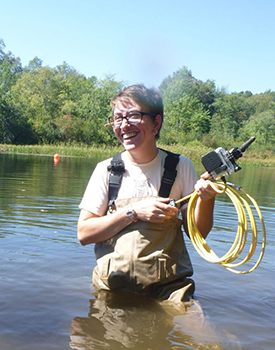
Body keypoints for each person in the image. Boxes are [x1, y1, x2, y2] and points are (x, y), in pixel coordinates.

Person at [77, 84, 217, 303]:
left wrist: (207, 200)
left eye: (133, 115)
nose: (123, 125)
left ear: (156, 123)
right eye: (117, 118)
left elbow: (198, 234)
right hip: (111, 289)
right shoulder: (105, 170)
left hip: (170, 291)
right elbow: (84, 234)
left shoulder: (180, 166)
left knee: (204, 336)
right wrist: (133, 212)